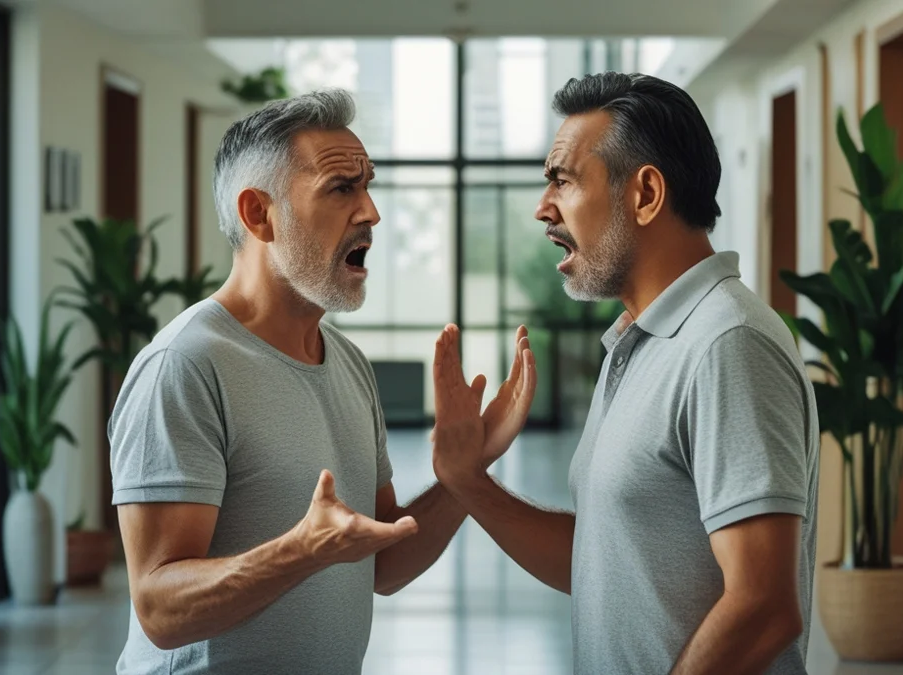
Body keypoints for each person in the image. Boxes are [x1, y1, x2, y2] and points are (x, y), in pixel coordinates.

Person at [107, 89, 535, 674]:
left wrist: (464, 474)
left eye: (368, 185)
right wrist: (300, 551)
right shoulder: (184, 365)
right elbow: (159, 609)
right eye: (341, 189)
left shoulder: (349, 364)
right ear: (259, 214)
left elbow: (382, 567)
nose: (371, 212)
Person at [430, 72, 820, 674]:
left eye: (562, 179)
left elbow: (765, 605)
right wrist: (468, 481)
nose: (543, 208)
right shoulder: (636, 343)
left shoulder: (726, 343)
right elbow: (601, 561)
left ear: (644, 194)